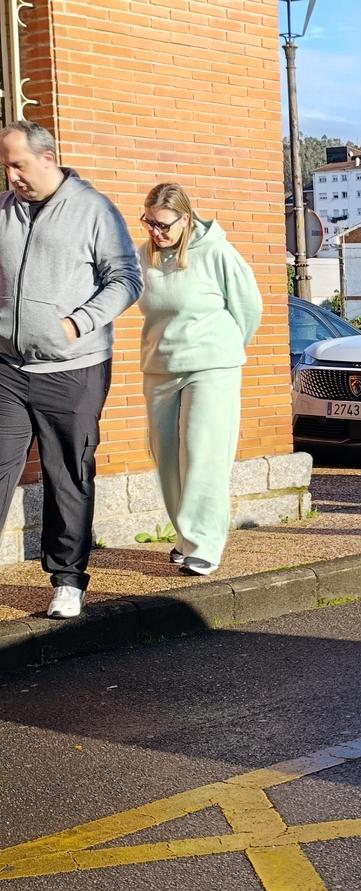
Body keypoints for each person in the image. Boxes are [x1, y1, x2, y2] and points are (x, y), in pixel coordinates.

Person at [0, 121, 142, 619]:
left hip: (73, 368)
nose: (11, 175)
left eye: (18, 164)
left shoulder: (93, 209)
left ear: (47, 157)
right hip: (9, 367)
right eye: (6, 165)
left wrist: (78, 322)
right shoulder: (4, 211)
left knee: (67, 474)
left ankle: (66, 580)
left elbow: (126, 278)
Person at [137, 183, 262, 577]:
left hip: (211, 367)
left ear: (185, 219)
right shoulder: (144, 256)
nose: (155, 232)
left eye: (162, 225)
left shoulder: (216, 252)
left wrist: (222, 352)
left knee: (202, 454)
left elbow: (249, 307)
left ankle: (204, 544)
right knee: (167, 457)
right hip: (160, 367)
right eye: (148, 223)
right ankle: (185, 536)